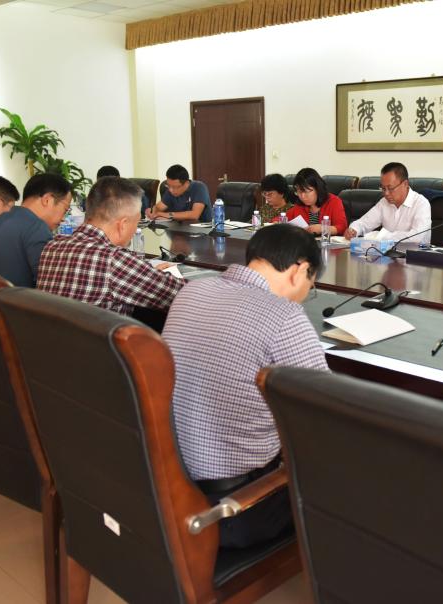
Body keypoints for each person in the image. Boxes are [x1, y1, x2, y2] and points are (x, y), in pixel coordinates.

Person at [162, 223, 328, 548]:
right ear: (300, 270)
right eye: (311, 285)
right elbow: (325, 415)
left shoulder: (192, 291)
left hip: (168, 485)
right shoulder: (284, 317)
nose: (305, 296)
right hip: (234, 508)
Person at [37, 176, 184, 315]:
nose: (135, 230)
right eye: (136, 222)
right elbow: (185, 294)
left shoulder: (52, 246)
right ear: (123, 224)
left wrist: (145, 273)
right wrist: (146, 274)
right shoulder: (114, 260)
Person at [0, 173, 71, 287]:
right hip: (21, 297)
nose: (63, 218)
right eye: (65, 210)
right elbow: (48, 283)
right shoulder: (36, 227)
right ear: (47, 200)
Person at [345, 162, 432, 243]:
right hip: (386, 253)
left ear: (405, 184)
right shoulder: (384, 202)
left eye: (390, 188)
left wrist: (381, 235)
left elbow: (416, 237)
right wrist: (353, 230)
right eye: (383, 188)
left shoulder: (421, 204)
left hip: (414, 253)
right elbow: (364, 222)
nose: (386, 193)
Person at [285, 168, 347, 235]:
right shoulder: (299, 205)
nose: (302, 196)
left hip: (326, 241)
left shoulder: (334, 201)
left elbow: (342, 227)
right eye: (299, 192)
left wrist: (323, 228)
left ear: (318, 189)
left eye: (306, 191)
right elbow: (282, 219)